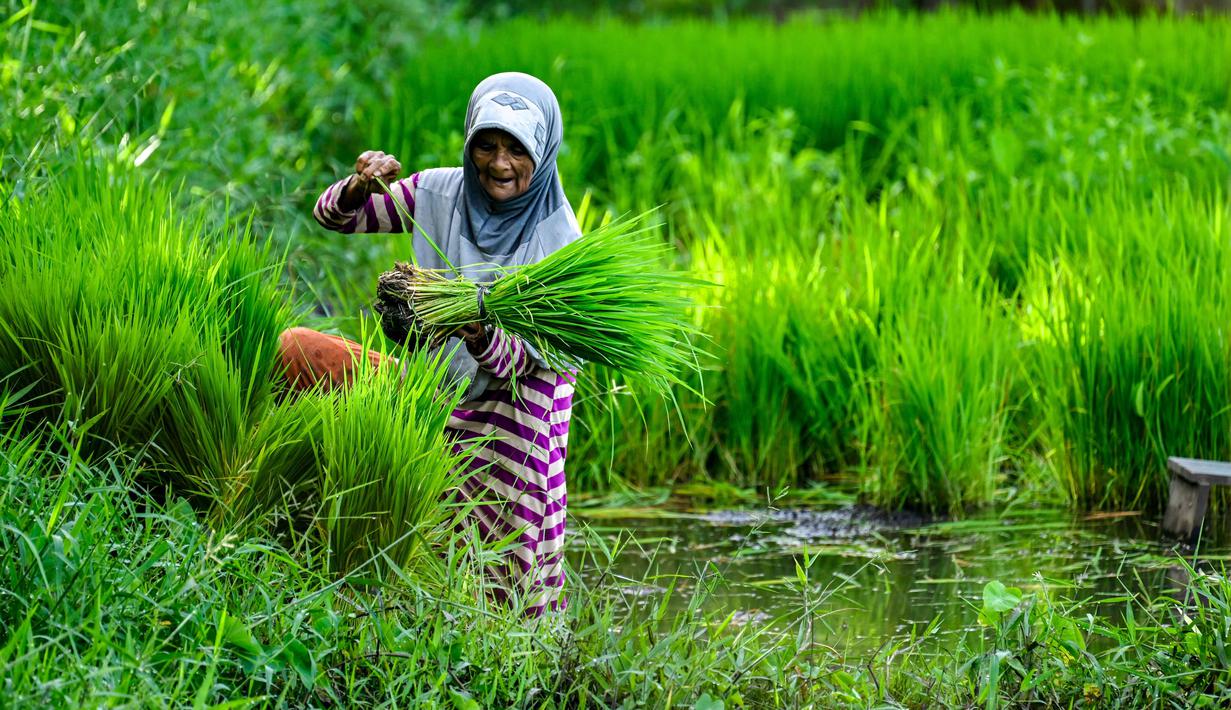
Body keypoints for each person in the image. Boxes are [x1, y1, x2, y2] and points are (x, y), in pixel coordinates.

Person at [280, 72, 580, 615]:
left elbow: (533, 359)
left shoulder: (559, 243)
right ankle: (308, 533)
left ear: (543, 150)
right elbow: (335, 217)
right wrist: (356, 186)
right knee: (298, 351)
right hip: (438, 389)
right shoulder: (440, 191)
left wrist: (478, 329)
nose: (499, 163)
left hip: (517, 409)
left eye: (517, 149)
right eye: (486, 145)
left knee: (500, 575)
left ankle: (498, 639)